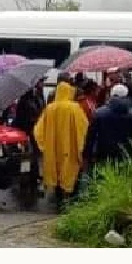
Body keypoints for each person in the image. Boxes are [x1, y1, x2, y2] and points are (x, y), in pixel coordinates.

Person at [34, 82, 89, 210]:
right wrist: (82, 146)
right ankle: (67, 199)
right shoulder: (75, 108)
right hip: (71, 148)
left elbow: (38, 130)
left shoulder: (50, 108)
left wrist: (44, 146)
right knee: (69, 172)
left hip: (53, 150)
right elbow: (84, 128)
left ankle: (59, 199)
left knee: (56, 172)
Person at [83, 84, 132, 168]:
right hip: (125, 157)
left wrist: (87, 156)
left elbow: (91, 137)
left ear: (111, 95)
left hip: (103, 156)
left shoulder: (99, 113)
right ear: (126, 96)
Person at [11, 76, 46, 195]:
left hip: (31, 133)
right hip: (26, 133)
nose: (41, 84)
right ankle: (25, 177)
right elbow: (24, 119)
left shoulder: (36, 98)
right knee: (26, 157)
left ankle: (32, 175)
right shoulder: (26, 101)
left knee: (32, 156)